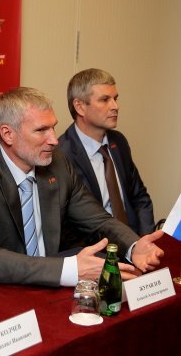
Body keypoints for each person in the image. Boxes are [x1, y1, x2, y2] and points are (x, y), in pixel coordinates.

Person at [0, 87, 165, 288]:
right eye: (41, 130)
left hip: (51, 284)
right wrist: (70, 269)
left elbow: (97, 220)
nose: (54, 140)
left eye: (53, 127)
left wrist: (133, 246)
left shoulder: (57, 164)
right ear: (7, 134)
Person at [57, 68, 157, 249]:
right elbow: (64, 228)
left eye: (115, 99)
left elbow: (139, 198)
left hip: (134, 243)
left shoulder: (119, 142)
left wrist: (144, 241)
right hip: (97, 252)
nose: (115, 106)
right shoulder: (61, 155)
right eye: (104, 100)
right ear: (79, 106)